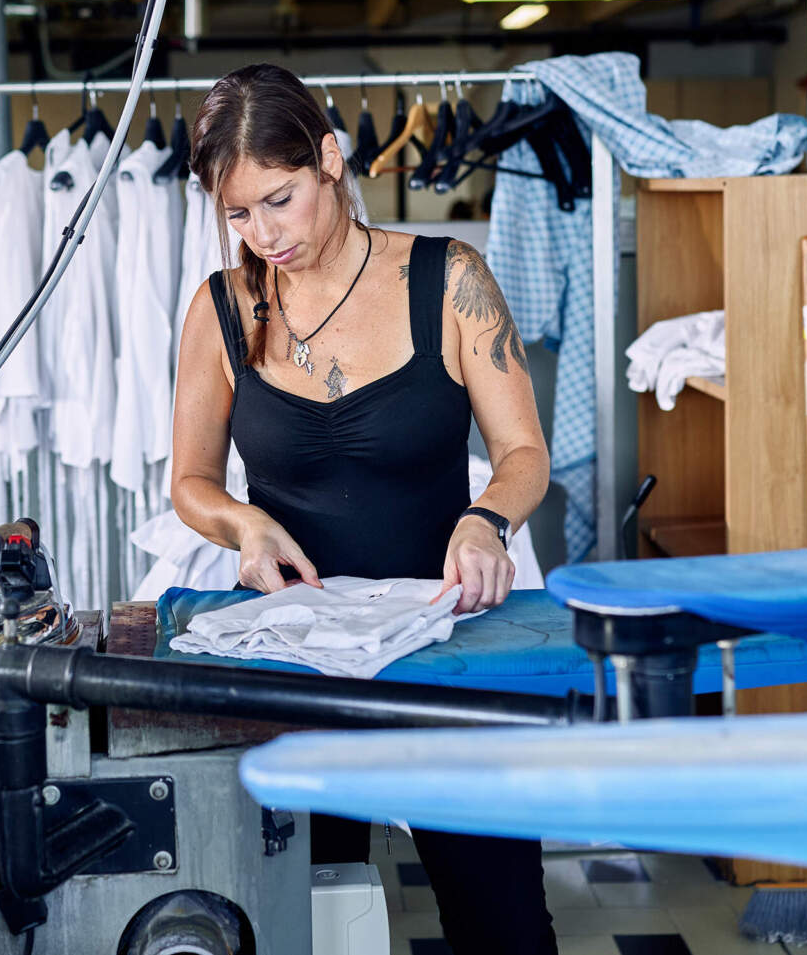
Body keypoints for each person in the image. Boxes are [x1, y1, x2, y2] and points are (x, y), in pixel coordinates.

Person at [168, 63, 556, 954]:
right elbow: (189, 481)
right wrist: (244, 523)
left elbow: (525, 454)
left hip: (450, 657)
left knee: (505, 926)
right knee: (303, 920)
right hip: (299, 665)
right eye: (238, 214)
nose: (264, 233)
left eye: (281, 198)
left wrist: (484, 518)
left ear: (331, 159)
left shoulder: (450, 278)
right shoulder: (223, 311)